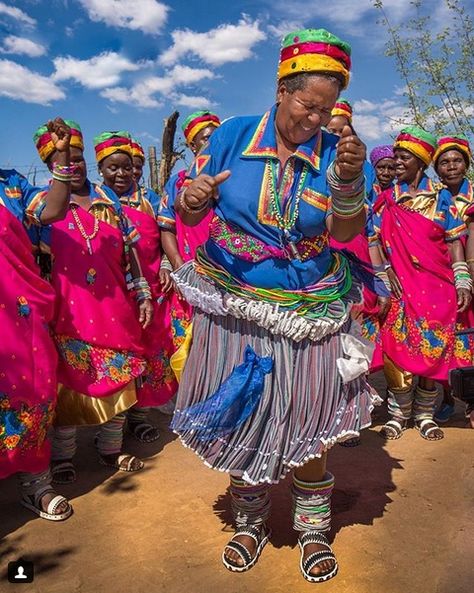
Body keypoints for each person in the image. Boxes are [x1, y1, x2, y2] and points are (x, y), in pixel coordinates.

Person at [170, 28, 377, 583]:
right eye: (307, 104)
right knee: (246, 409)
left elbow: (347, 230)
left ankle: (312, 528)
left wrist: (350, 182)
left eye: (327, 110)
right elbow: (190, 214)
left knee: (309, 414)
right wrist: (192, 200)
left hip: (310, 306)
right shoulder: (233, 137)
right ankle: (249, 520)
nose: (315, 119)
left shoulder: (341, 154)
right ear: (282, 89)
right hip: (232, 302)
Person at [33, 124, 152, 481]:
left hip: (115, 307)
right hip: (69, 311)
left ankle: (110, 450)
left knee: (119, 378)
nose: (73, 166)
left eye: (78, 159)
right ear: (51, 163)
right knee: (72, 383)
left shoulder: (111, 201)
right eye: (63, 159)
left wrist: (142, 292)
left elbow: (130, 251)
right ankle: (63, 457)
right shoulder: (42, 204)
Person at [374, 127, 472, 441]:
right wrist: (383, 271)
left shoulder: (442, 197)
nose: (397, 163)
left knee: (433, 347)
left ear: (420, 162)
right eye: (396, 157)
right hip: (400, 286)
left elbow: (455, 241)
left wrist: (462, 281)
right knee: (397, 345)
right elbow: (372, 236)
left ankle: (425, 415)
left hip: (437, 287)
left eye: (404, 158)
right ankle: (398, 414)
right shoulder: (388, 199)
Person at [1, 117, 73, 520]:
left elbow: (53, 210)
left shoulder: (11, 185)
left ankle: (35, 486)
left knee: (30, 390)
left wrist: (61, 158)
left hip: (18, 316)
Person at [100, 134, 177, 442]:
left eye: (132, 167)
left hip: (151, 290)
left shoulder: (150, 200)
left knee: (152, 352)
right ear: (103, 169)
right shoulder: (97, 201)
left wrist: (166, 266)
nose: (126, 174)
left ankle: (140, 417)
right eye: (116, 167)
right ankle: (111, 426)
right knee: (121, 356)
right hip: (113, 292)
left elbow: (165, 234)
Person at [158, 111, 221, 356]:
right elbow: (167, 227)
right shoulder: (177, 184)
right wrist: (179, 267)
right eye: (205, 139)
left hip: (228, 277)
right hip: (189, 276)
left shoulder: (232, 179)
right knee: (189, 349)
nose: (211, 145)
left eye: (216, 139)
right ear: (191, 145)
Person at [433, 135, 474, 427]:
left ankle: (471, 403)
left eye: (457, 160)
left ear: (466, 164)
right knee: (447, 339)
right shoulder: (430, 197)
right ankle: (447, 398)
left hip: (471, 271)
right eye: (444, 162)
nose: (451, 167)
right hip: (441, 276)